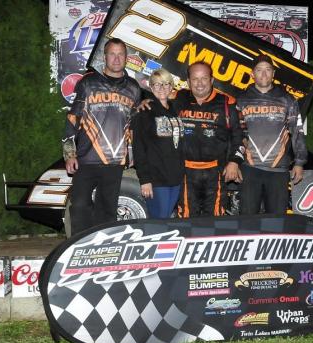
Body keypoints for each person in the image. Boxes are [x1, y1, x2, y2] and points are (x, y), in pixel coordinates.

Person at [62, 38, 141, 236]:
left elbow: (134, 125)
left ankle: (103, 248)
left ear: (126, 58)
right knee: (79, 206)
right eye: (112, 54)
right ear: (104, 57)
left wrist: (132, 155)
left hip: (115, 161)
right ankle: (79, 246)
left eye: (120, 54)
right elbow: (73, 118)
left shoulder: (133, 87)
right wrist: (69, 154)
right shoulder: (88, 83)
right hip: (86, 158)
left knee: (107, 211)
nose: (116, 58)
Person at [236, 54, 307, 215]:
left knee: (277, 221)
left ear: (273, 74)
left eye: (268, 70)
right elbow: (236, 134)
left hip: (279, 170)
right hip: (249, 168)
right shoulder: (241, 100)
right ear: (252, 74)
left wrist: (299, 162)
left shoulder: (287, 100)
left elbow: (298, 131)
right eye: (259, 70)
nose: (264, 74)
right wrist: (234, 162)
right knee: (247, 220)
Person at [175, 62, 245, 217]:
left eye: (204, 78)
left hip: (216, 173)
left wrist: (234, 162)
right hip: (185, 172)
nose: (200, 84)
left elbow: (239, 137)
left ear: (212, 80)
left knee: (215, 220)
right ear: (188, 81)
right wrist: (147, 103)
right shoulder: (178, 98)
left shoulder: (227, 103)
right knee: (186, 219)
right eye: (195, 79)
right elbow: (158, 106)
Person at [132, 68, 184, 218]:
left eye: (166, 84)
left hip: (176, 177)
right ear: (151, 87)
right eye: (157, 84)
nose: (162, 88)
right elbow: (138, 148)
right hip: (156, 179)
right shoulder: (144, 112)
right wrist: (145, 180)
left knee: (168, 218)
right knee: (159, 222)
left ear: (172, 86)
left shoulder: (177, 109)